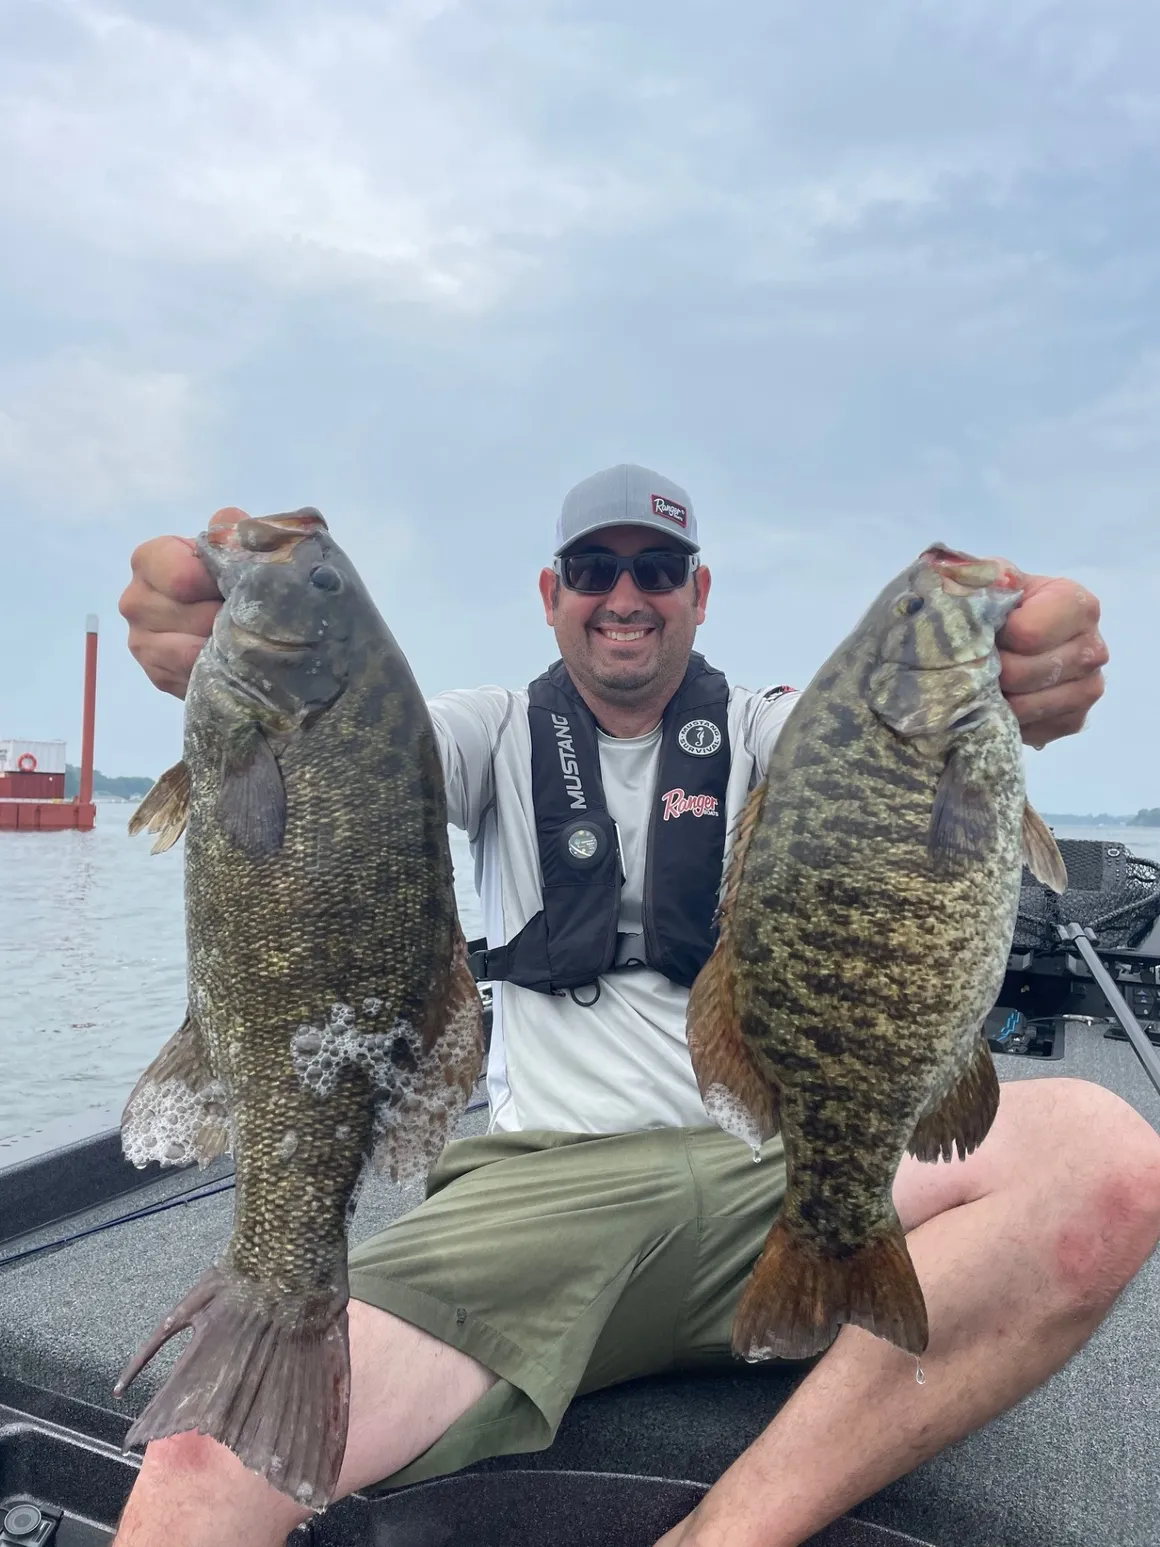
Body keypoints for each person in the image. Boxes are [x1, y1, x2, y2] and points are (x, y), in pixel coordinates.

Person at [114, 464, 1160, 1547]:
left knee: (1106, 1156)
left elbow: (875, 763)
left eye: (656, 567)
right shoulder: (484, 733)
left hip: (774, 1161)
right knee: (203, 1460)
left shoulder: (772, 734)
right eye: (592, 567)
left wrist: (1018, 665)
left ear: (697, 595)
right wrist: (237, 659)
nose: (625, 591)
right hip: (541, 1198)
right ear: (549, 592)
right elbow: (352, 764)